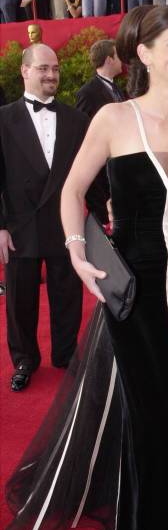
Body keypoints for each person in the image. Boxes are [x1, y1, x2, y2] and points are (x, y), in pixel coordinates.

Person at [6, 5, 168, 530]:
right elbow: (71, 190)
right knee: (152, 403)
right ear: (145, 55)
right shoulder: (112, 120)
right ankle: (150, 529)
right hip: (131, 287)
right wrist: (78, 250)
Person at [0, 44, 88, 392]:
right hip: (20, 224)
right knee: (20, 298)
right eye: (42, 69)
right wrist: (0, 226)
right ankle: (24, 360)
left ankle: (66, 355)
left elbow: (88, 176)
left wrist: (104, 211)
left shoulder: (77, 120)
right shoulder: (3, 118)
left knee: (68, 292)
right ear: (25, 71)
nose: (51, 75)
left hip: (65, 223)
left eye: (55, 68)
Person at [76, 39, 124, 223]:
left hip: (119, 168)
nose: (122, 61)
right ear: (109, 59)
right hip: (102, 175)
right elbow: (83, 133)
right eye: (118, 56)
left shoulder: (118, 89)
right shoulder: (87, 93)